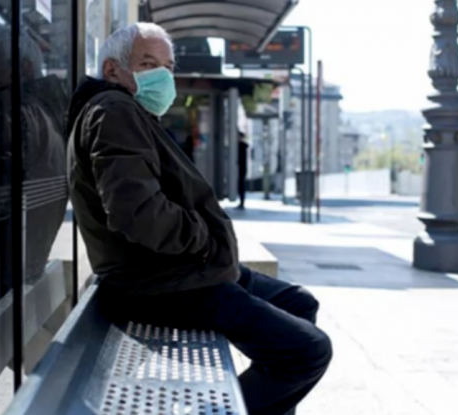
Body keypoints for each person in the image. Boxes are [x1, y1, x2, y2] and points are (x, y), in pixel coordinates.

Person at [66, 22, 331, 415]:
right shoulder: (114, 110)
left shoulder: (127, 111)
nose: (162, 75)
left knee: (299, 303)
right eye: (147, 63)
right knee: (306, 351)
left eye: (168, 67)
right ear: (112, 70)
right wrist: (205, 239)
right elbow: (136, 214)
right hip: (160, 283)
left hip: (178, 271)